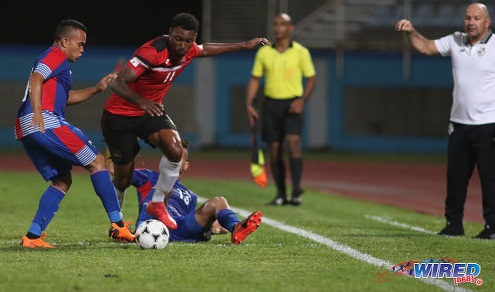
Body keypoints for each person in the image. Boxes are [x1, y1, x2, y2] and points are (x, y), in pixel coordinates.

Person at [102, 13, 269, 230]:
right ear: (170, 33)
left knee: (175, 150)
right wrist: (142, 102)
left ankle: (158, 203)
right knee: (122, 179)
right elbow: (116, 82)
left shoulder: (189, 49)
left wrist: (245, 45)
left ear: (193, 38)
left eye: (188, 40)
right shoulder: (152, 52)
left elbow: (206, 49)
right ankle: (118, 224)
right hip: (120, 116)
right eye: (178, 39)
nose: (182, 45)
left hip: (149, 112)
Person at [14, 19, 135, 248]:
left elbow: (65, 98)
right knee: (98, 162)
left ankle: (33, 237)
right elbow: (36, 78)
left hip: (27, 126)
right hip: (44, 121)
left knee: (62, 180)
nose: (82, 49)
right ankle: (118, 225)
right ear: (64, 41)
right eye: (79, 44)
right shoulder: (55, 55)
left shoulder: (59, 65)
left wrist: (97, 89)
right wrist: (38, 113)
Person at [396, 3, 495, 239]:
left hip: (489, 124)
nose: (471, 22)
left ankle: (492, 227)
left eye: (477, 18)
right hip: (459, 124)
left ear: (487, 22)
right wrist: (412, 32)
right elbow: (427, 47)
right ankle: (454, 224)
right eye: (468, 18)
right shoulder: (456, 40)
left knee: (490, 178)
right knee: (456, 178)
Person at [108, 140, 263, 244]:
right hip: (153, 222)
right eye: (169, 156)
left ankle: (236, 227)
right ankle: (139, 233)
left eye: (177, 158)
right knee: (163, 188)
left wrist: (212, 227)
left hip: (178, 226)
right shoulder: (149, 176)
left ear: (186, 165)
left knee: (218, 201)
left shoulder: (190, 196)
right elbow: (114, 170)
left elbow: (194, 219)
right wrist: (123, 153)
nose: (172, 160)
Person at [245, 13, 316, 206]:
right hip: (270, 104)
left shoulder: (301, 52)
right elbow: (255, 78)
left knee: (293, 143)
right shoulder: (264, 52)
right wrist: (249, 103)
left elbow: (311, 79)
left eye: (282, 24)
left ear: (290, 28)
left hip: (292, 104)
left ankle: (296, 191)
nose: (278, 28)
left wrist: (302, 100)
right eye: (275, 24)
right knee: (274, 149)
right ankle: (280, 194)